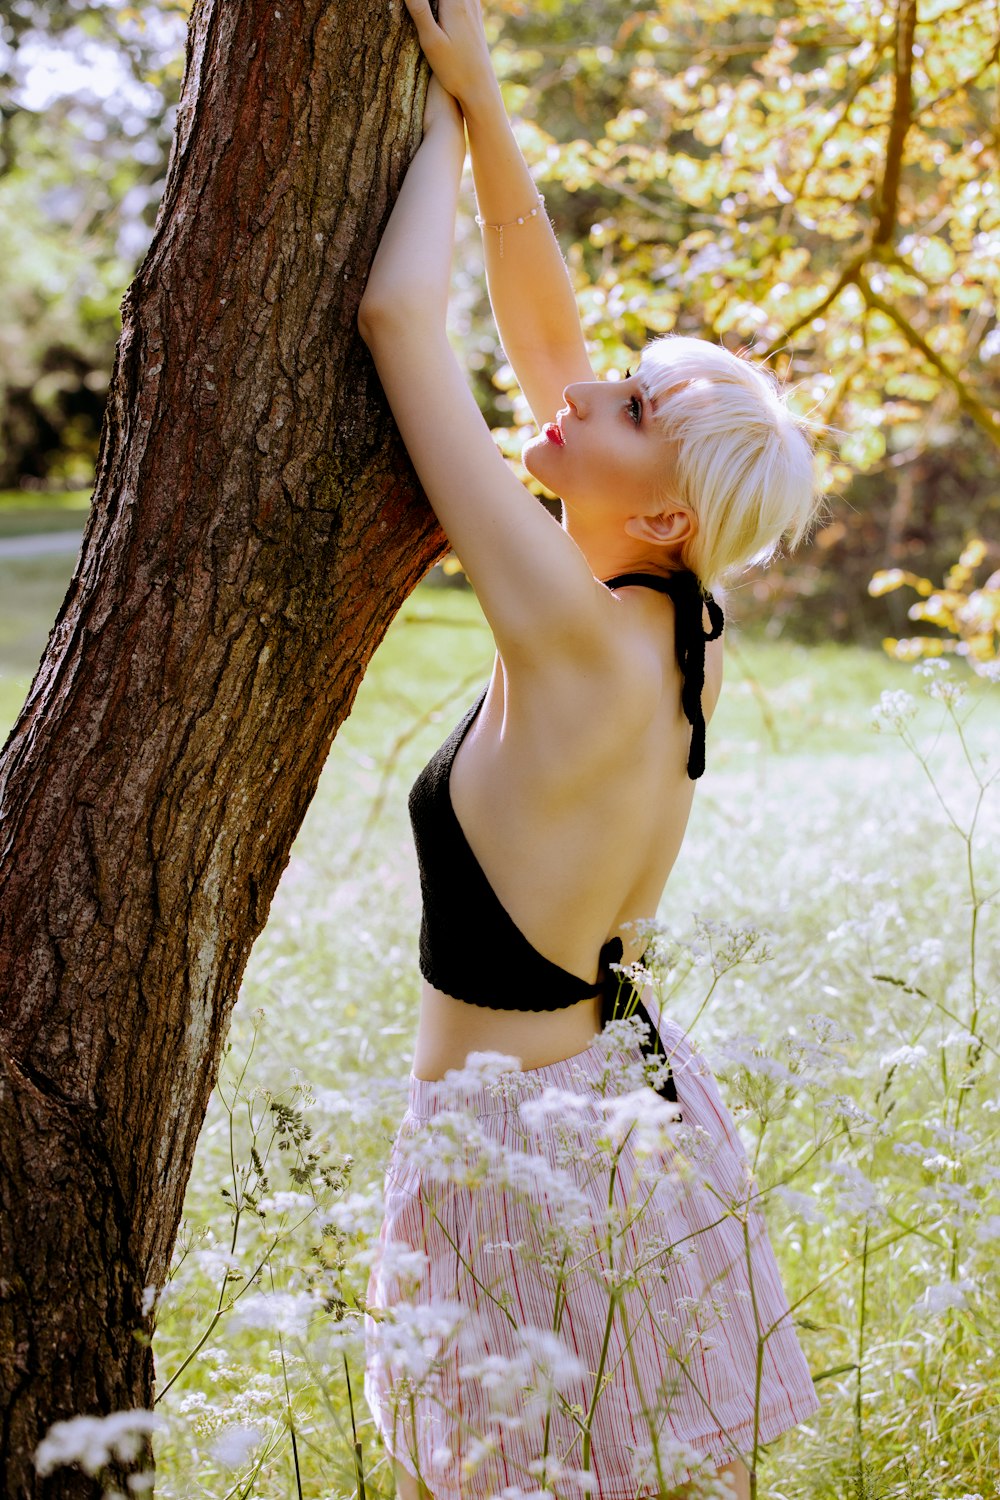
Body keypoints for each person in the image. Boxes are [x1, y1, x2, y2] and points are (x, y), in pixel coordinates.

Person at [356, 2, 822, 1496]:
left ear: (668, 509)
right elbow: (540, 333)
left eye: (627, 407)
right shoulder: (669, 618)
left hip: (523, 1171)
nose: (579, 392)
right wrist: (477, 89)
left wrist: (428, 115)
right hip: (600, 1115)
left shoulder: (570, 628)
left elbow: (395, 322)